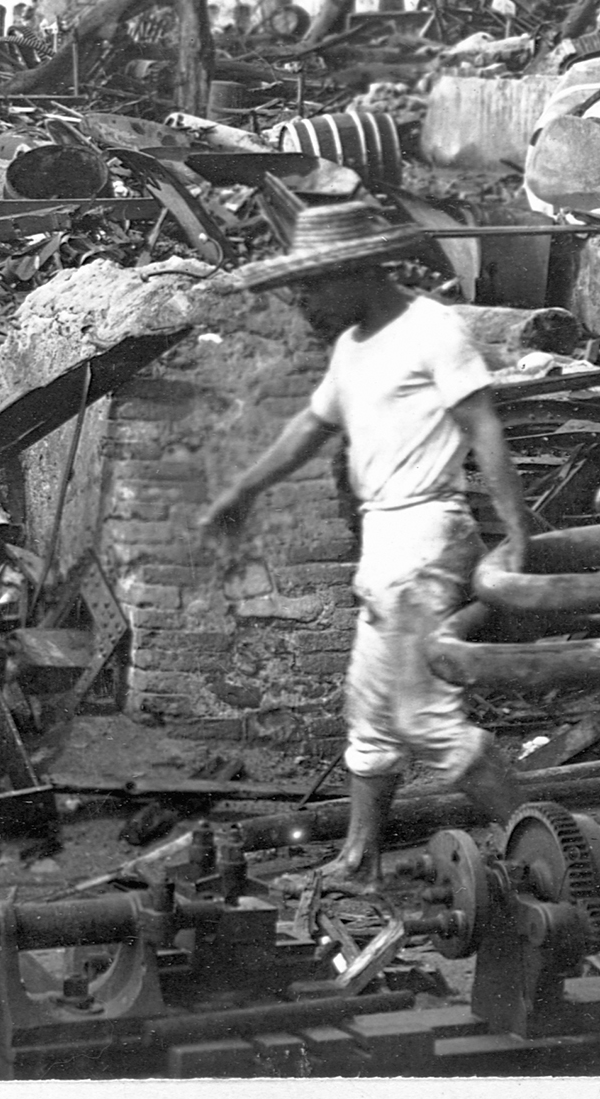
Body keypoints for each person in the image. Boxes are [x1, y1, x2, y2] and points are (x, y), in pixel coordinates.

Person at [201, 202, 530, 890]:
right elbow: (312, 424)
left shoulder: (432, 329)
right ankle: (358, 860)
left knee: (424, 718)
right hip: (385, 541)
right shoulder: (355, 344)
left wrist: (520, 538)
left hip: (424, 535)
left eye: (314, 285)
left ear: (356, 270)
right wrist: (244, 488)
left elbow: (486, 431)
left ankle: (546, 843)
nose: (305, 303)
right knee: (371, 711)